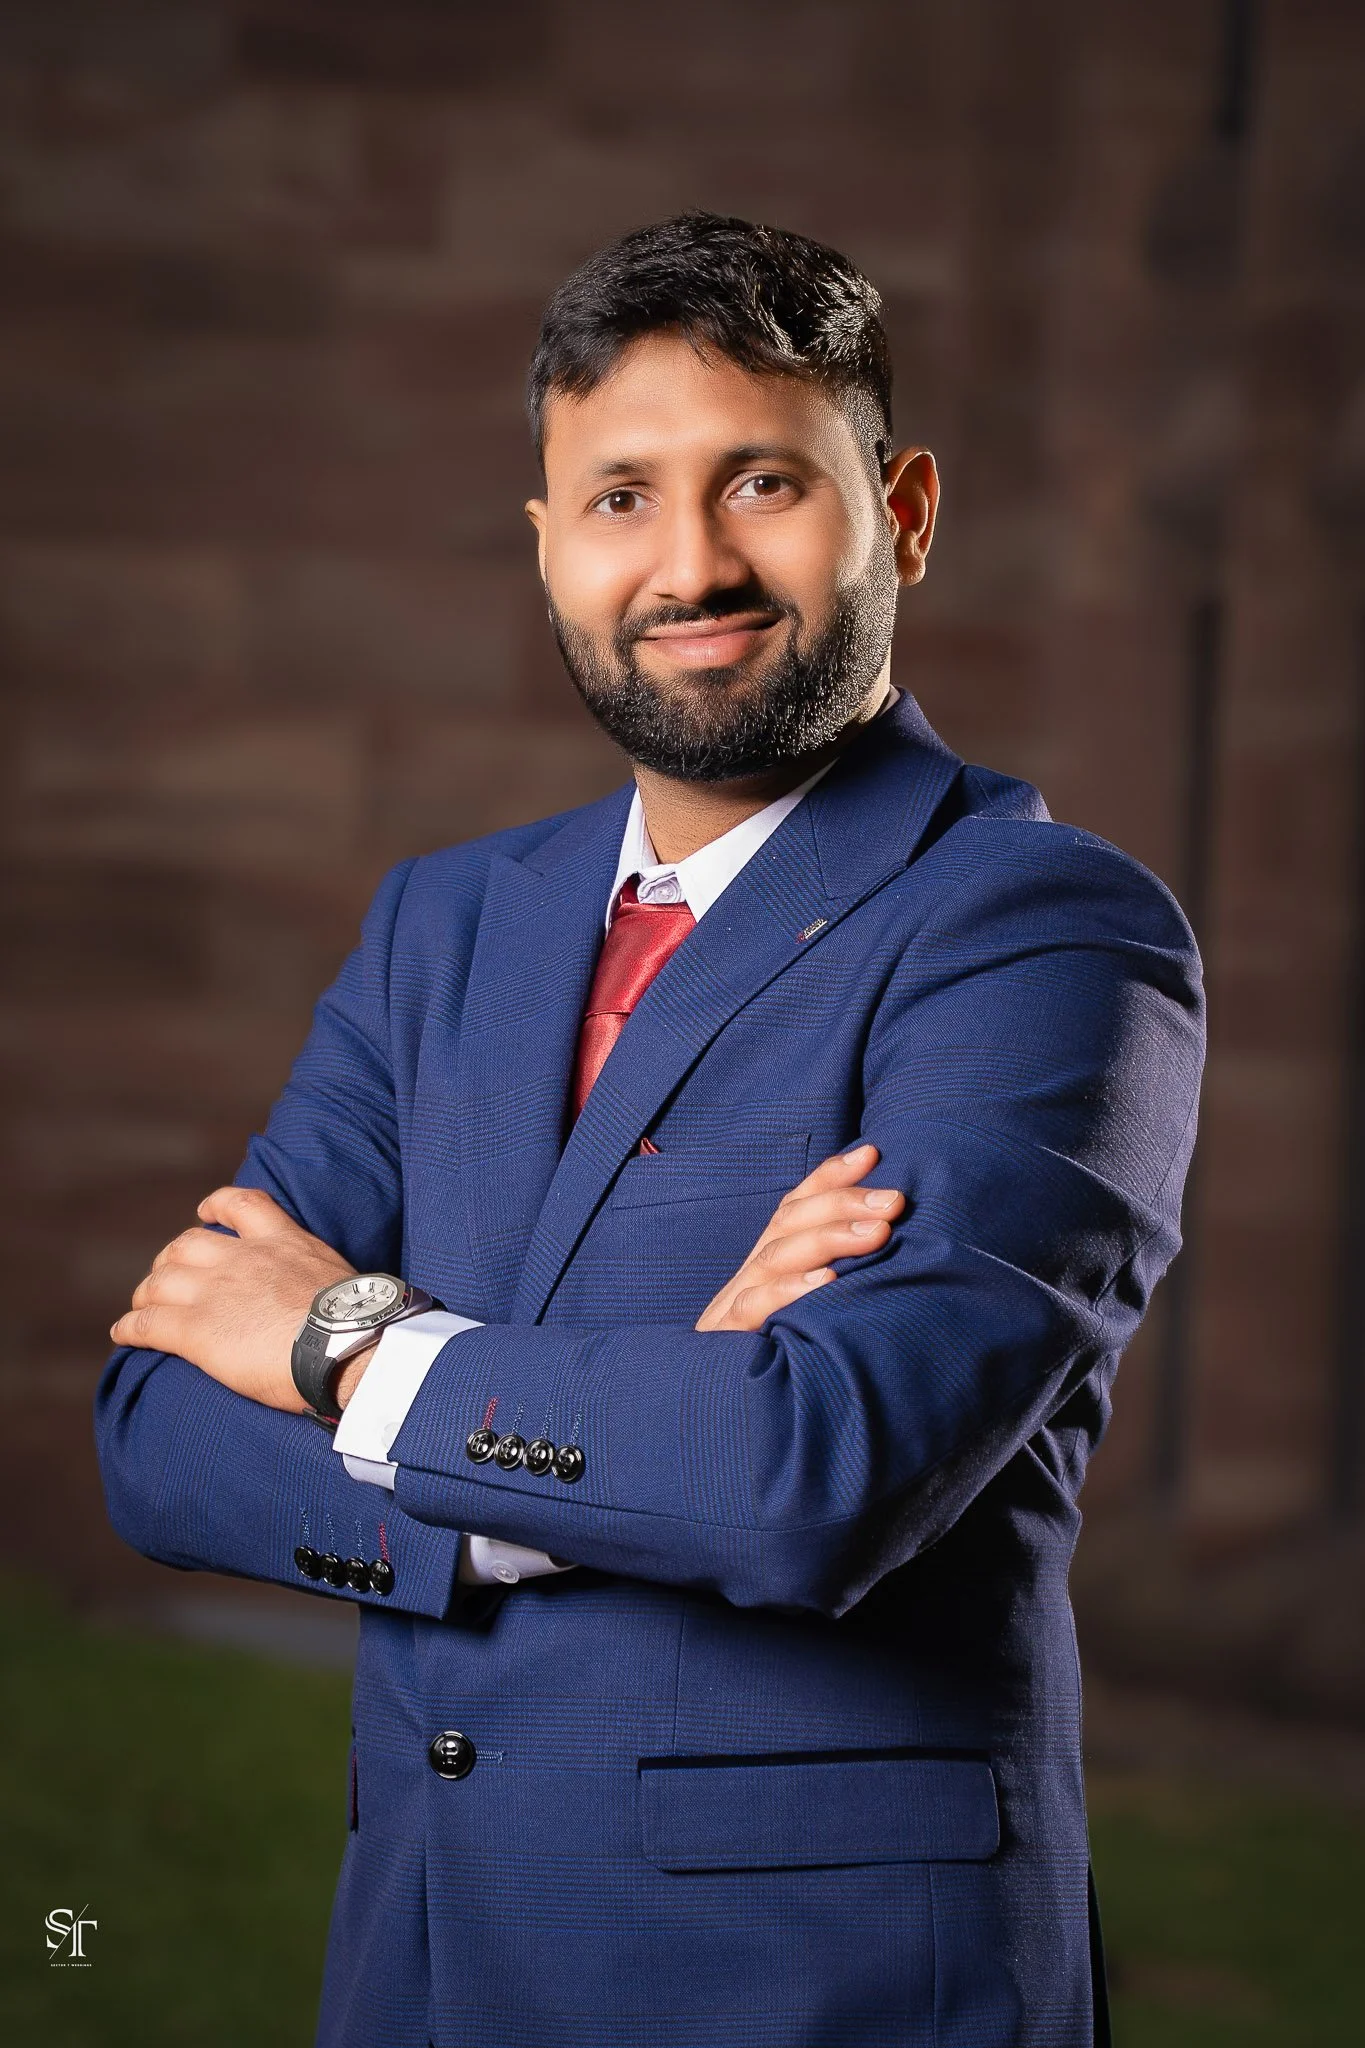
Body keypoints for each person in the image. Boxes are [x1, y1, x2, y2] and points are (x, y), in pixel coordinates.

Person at [95, 212, 1204, 2048]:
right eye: (620, 498)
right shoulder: (444, 927)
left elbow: (812, 1474)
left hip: (818, 1992)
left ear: (901, 511)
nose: (688, 564)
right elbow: (155, 1436)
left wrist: (342, 1343)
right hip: (425, 1966)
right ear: (546, 548)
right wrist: (599, 1446)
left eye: (761, 480)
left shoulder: (1040, 929)